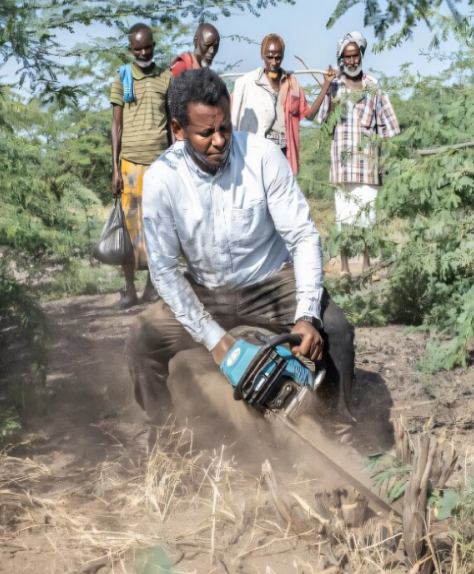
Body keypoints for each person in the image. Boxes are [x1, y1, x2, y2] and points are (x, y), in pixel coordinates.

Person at [126, 68, 355, 438]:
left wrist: (307, 316)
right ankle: (165, 437)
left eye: (225, 128)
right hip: (204, 291)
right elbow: (165, 271)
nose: (219, 140)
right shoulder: (160, 179)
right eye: (205, 133)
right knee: (141, 339)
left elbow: (302, 236)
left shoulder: (263, 156)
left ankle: (341, 431)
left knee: (337, 330)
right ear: (178, 129)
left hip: (269, 282)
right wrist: (215, 339)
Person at [318, 31, 400, 275]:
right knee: (344, 218)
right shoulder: (333, 86)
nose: (352, 61)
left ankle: (365, 265)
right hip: (342, 165)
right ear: (342, 58)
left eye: (356, 56)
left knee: (368, 217)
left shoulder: (373, 85)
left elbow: (389, 125)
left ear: (361, 56)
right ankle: (343, 268)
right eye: (348, 57)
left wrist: (384, 158)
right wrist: (328, 91)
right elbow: (323, 122)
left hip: (368, 163)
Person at [110, 23, 172, 307]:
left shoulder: (166, 78)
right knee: (129, 228)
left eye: (148, 47)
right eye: (138, 49)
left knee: (157, 228)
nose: (144, 52)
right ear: (130, 50)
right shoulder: (122, 78)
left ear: (154, 46)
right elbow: (116, 127)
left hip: (159, 165)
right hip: (130, 166)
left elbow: (172, 126)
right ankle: (130, 289)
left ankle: (151, 288)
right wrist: (114, 168)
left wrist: (175, 163)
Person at [230, 33, 336, 175]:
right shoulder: (249, 84)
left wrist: (326, 84)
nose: (273, 62)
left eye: (278, 57)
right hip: (256, 151)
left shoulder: (292, 85)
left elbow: (309, 115)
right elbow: (231, 114)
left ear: (283, 56)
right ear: (262, 55)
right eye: (269, 57)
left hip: (282, 152)